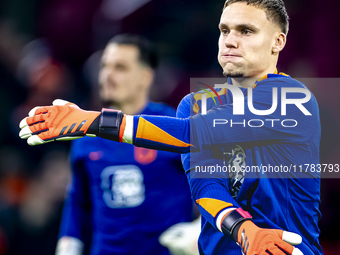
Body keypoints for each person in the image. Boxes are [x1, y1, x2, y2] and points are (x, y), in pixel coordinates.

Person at [19, 1, 323, 255]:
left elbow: (193, 135)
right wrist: (242, 230)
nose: (231, 40)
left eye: (246, 31)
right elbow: (206, 184)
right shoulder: (195, 104)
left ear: (277, 42)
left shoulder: (292, 99)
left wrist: (93, 122)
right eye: (225, 30)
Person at [51, 34, 197, 255]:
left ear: (145, 77)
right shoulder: (87, 135)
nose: (107, 75)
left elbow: (220, 186)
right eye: (105, 66)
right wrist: (68, 247)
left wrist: (198, 229)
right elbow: (78, 202)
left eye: (120, 67)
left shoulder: (173, 128)